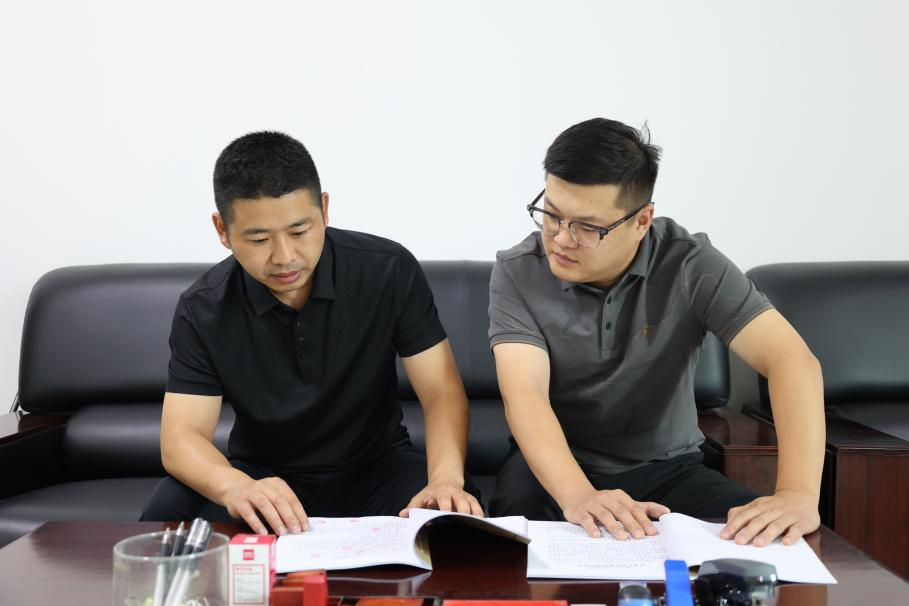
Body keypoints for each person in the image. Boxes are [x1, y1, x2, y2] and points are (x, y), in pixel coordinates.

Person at [488, 118, 824, 547]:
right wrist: (579, 495)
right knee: (512, 545)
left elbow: (791, 360)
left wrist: (797, 495)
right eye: (551, 215)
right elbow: (525, 394)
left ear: (642, 220)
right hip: (556, 469)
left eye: (587, 227)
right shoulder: (518, 271)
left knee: (772, 542)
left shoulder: (690, 264)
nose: (561, 240)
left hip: (669, 468)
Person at [141, 131, 482, 535]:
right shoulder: (203, 308)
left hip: (377, 469)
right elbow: (181, 437)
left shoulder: (388, 270)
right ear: (223, 230)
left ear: (324, 209)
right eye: (259, 239)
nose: (285, 257)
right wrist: (235, 486)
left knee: (457, 514)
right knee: (168, 510)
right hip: (265, 477)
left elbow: (441, 391)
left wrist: (445, 479)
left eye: (299, 231)